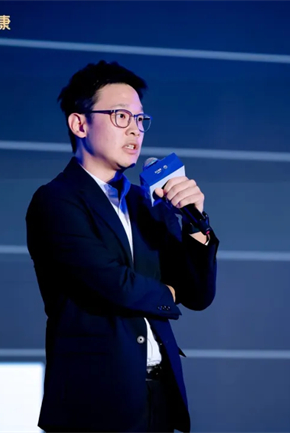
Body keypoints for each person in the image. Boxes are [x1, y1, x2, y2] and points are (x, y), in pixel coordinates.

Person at [25, 60, 219, 433]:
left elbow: (197, 294)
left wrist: (197, 225)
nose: (135, 129)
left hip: (157, 396)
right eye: (120, 116)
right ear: (80, 124)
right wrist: (169, 292)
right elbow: (110, 282)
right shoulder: (56, 200)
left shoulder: (147, 203)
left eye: (140, 119)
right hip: (95, 401)